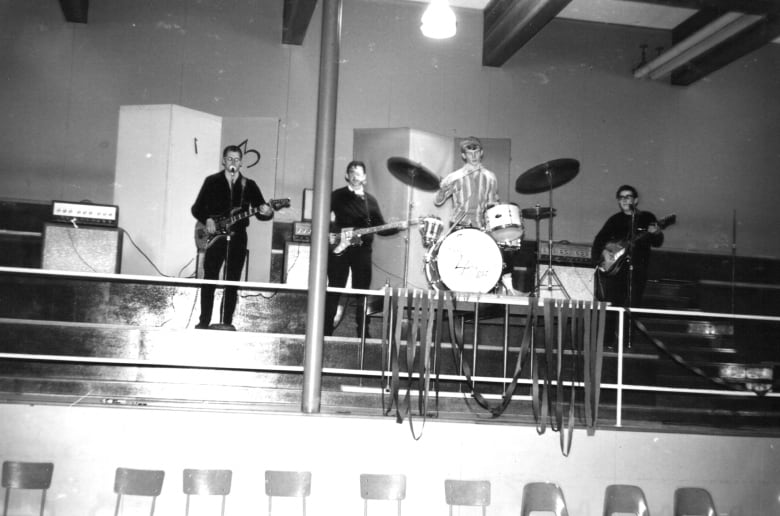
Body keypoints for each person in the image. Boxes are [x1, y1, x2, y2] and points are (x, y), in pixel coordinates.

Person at [191, 145, 273, 330]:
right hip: (214, 237)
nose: (233, 162)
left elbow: (261, 210)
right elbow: (196, 208)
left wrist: (267, 211)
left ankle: (226, 322)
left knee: (233, 280)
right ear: (223, 160)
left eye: (236, 159)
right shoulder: (211, 181)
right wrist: (208, 219)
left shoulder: (249, 185)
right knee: (210, 278)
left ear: (241, 162)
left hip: (238, 237)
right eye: (229, 159)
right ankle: (204, 321)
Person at [434, 136, 519, 294]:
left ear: (481, 153)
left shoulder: (490, 177)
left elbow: (492, 204)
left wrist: (497, 211)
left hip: (480, 226)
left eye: (476, 151)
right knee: (453, 264)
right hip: (458, 226)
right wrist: (443, 189)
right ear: (463, 155)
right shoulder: (454, 177)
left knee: (493, 258)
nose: (473, 156)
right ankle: (449, 292)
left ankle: (507, 288)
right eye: (469, 152)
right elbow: (438, 201)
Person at [324, 161, 396, 337]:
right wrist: (332, 235)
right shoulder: (337, 195)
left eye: (358, 173)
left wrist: (397, 227)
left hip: (362, 251)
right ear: (347, 176)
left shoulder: (370, 201)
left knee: (362, 290)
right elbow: (322, 217)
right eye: (351, 172)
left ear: (364, 178)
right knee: (334, 288)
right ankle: (325, 330)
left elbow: (381, 227)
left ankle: (363, 331)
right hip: (340, 249)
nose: (355, 176)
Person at [591, 184, 663, 307]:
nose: (624, 200)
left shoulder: (647, 217)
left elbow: (657, 242)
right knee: (614, 304)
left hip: (638, 270)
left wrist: (656, 233)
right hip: (617, 270)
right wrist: (604, 252)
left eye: (628, 197)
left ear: (636, 200)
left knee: (633, 305)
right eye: (621, 197)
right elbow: (599, 241)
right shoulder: (614, 220)